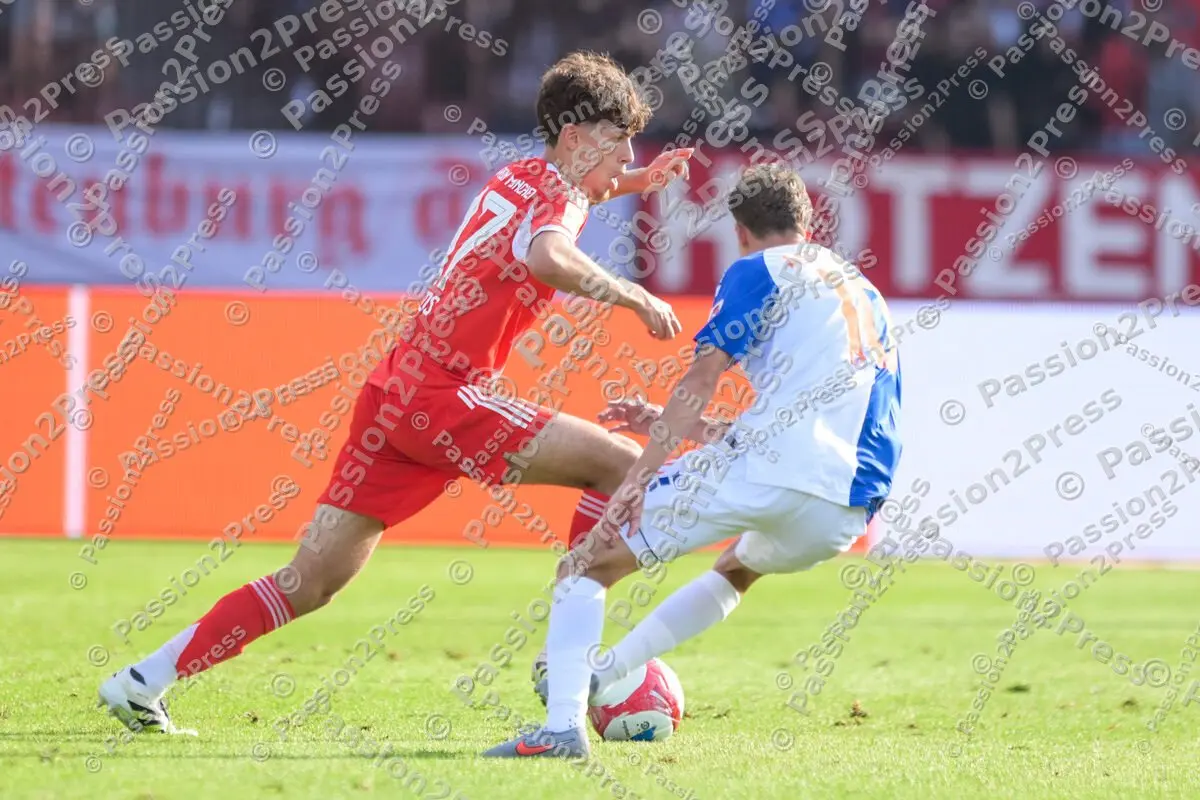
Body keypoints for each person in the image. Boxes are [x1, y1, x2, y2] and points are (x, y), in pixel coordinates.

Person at [98, 51, 693, 735]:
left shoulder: (524, 177)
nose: (626, 159)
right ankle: (567, 658)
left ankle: (143, 680)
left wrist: (634, 181)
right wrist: (628, 292)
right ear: (575, 136)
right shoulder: (555, 197)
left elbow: (565, 205)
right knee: (620, 462)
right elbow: (546, 254)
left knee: (311, 582)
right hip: (445, 394)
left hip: (395, 394)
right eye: (619, 143)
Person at [484, 162, 902, 758]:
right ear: (806, 223)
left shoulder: (759, 269)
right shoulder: (863, 291)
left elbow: (704, 375)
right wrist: (668, 424)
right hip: (849, 506)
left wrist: (639, 474)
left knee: (584, 565)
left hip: (775, 469)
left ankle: (561, 730)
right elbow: (803, 420)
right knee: (737, 569)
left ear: (740, 230)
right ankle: (604, 677)